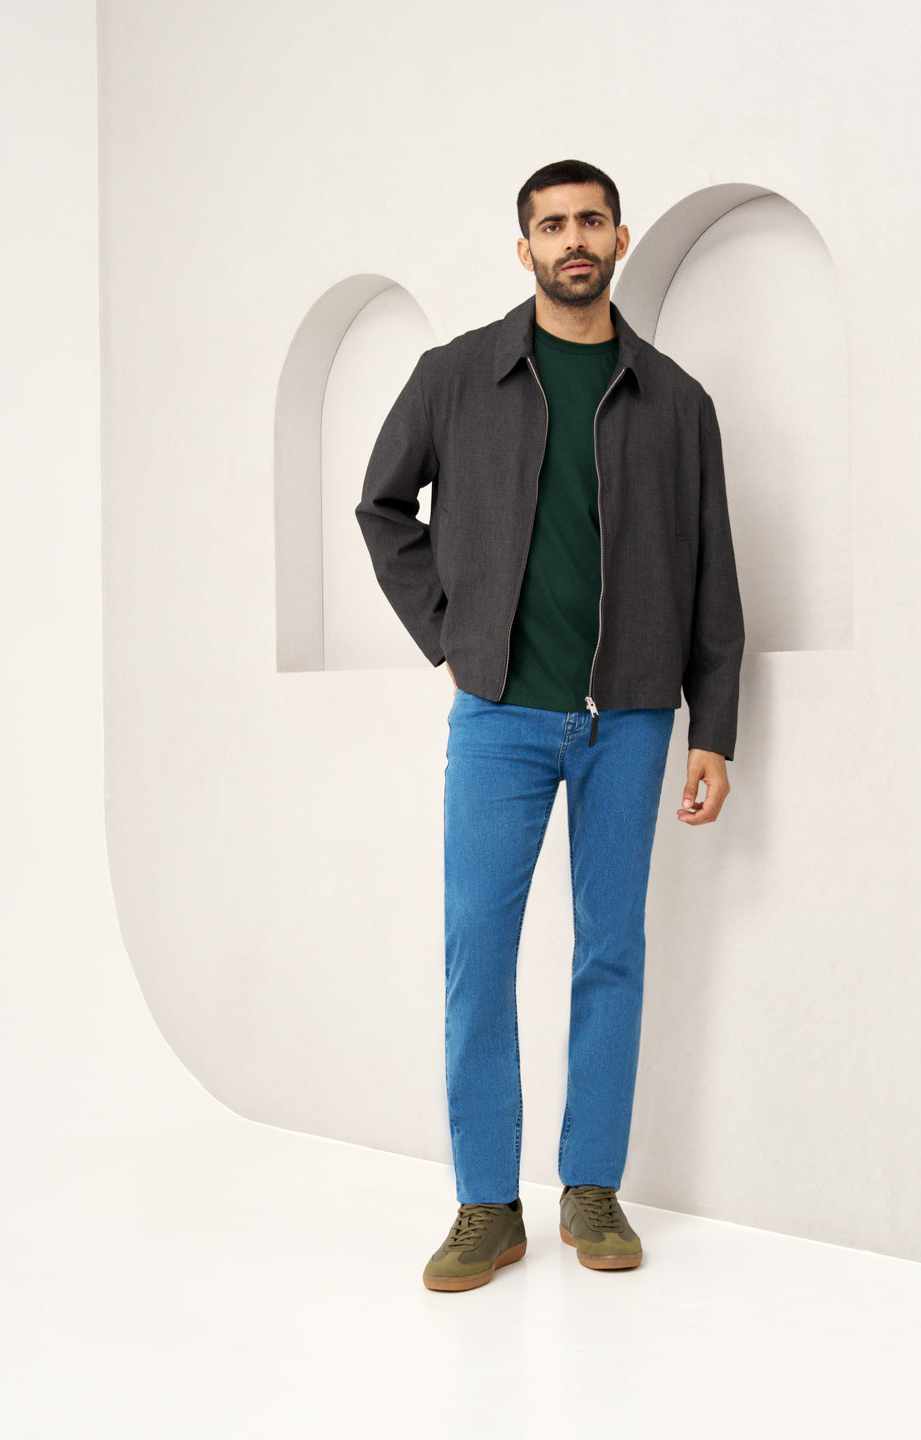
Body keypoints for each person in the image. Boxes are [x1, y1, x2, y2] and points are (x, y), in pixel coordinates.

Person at [356, 159, 744, 1292]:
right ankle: (487, 1203)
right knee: (478, 953)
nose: (574, 239)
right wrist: (453, 633)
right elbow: (382, 507)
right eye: (552, 224)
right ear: (523, 247)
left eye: (591, 221)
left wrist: (713, 728)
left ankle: (592, 1188)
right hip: (498, 717)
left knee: (611, 951)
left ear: (620, 237)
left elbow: (714, 573)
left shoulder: (677, 401)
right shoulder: (455, 375)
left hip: (632, 717)